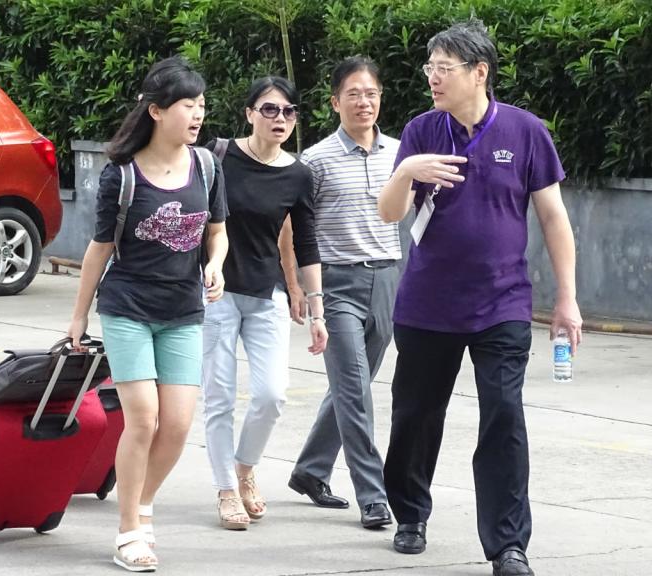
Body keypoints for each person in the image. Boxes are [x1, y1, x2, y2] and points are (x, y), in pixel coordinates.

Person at [378, 19, 583, 576]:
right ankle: (411, 514)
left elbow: (553, 216)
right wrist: (407, 172)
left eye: (444, 69)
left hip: (503, 303)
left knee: (503, 415)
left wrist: (566, 298)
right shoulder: (422, 130)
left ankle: (508, 545)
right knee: (416, 416)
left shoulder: (525, 132)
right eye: (430, 69)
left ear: (479, 73)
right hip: (426, 304)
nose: (433, 79)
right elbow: (390, 213)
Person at [66, 56, 228, 573]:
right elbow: (98, 249)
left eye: (201, 105)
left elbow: (217, 232)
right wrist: (78, 317)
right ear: (157, 111)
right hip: (128, 306)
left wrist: (217, 266)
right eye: (188, 105)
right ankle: (128, 531)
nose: (198, 114)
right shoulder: (123, 174)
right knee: (144, 419)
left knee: (177, 425)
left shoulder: (206, 166)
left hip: (183, 308)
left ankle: (141, 503)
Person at [201, 76, 328, 531]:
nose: (280, 119)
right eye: (270, 109)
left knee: (272, 394)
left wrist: (315, 308)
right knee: (218, 398)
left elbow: (306, 242)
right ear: (249, 112)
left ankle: (245, 467)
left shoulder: (298, 173)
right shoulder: (216, 156)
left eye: (289, 112)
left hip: (266, 292)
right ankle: (225, 489)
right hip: (215, 290)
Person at [287, 56, 400, 530]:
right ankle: (373, 496)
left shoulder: (400, 153)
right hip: (336, 284)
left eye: (371, 93)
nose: (364, 102)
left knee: (350, 386)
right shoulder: (314, 160)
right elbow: (291, 228)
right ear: (335, 102)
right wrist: (297, 285)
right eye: (353, 93)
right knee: (354, 390)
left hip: (390, 279)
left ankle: (310, 471)